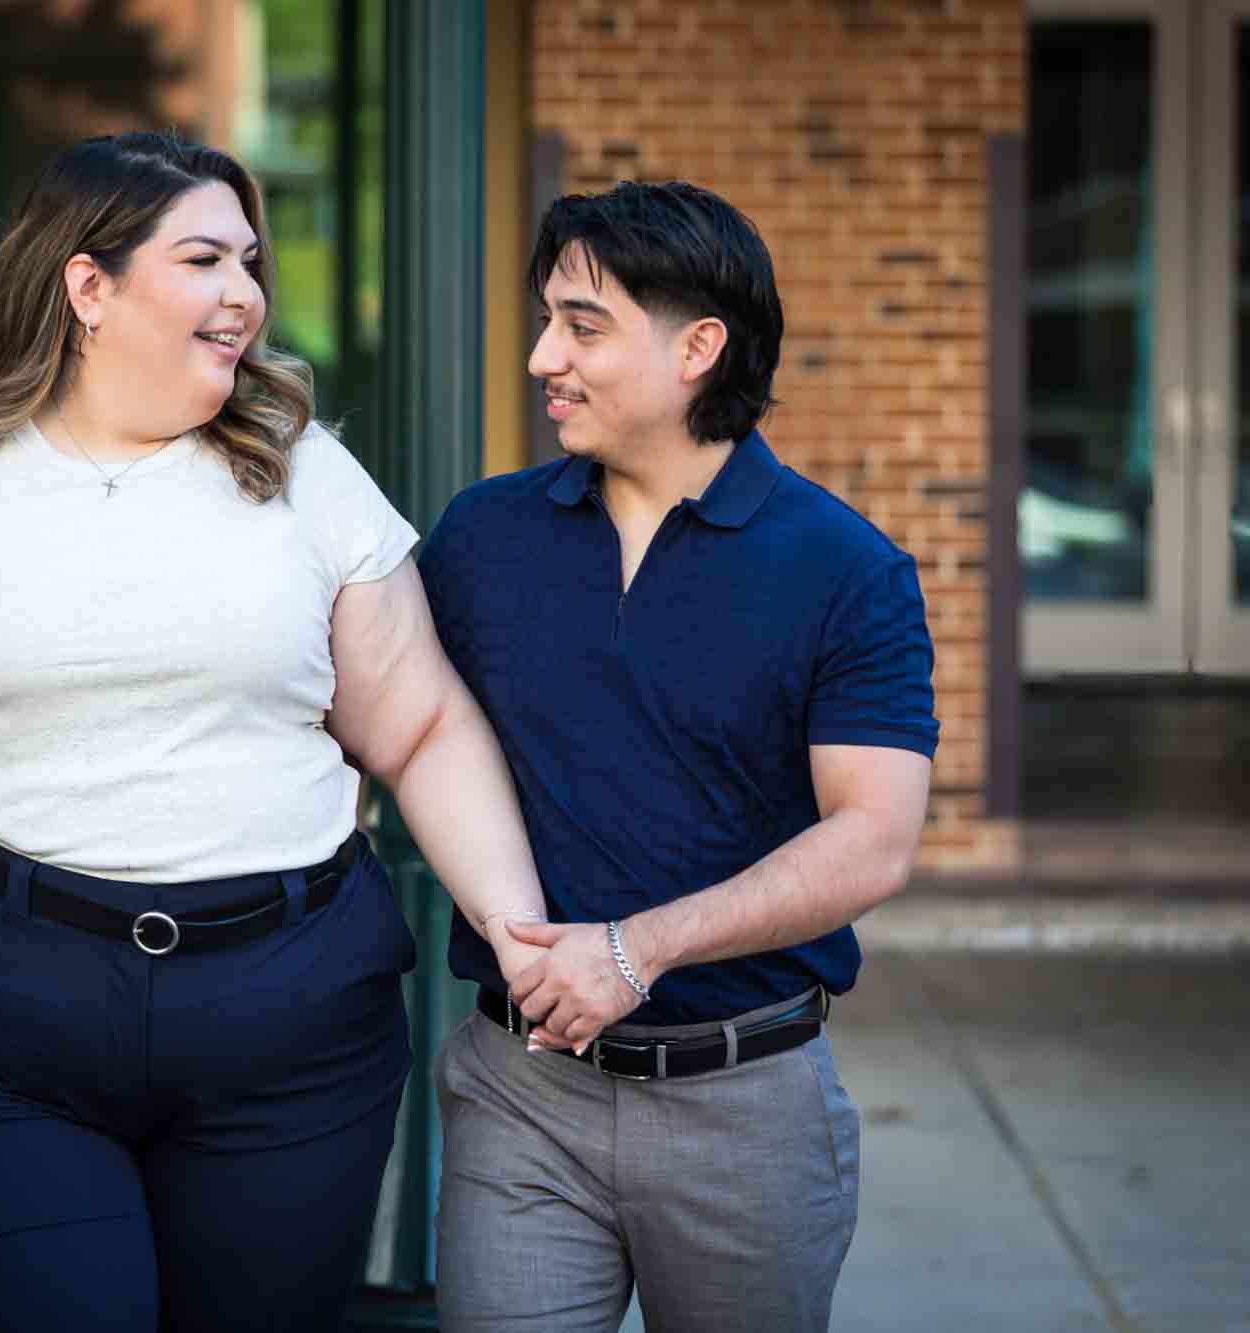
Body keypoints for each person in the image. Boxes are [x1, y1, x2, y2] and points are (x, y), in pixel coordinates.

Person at [0, 131, 552, 1333]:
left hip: (286, 1028)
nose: (242, 294)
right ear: (88, 286)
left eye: (249, 261)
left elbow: (422, 728)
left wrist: (516, 933)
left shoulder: (307, 475)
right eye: (202, 259)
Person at [420, 181, 938, 1333]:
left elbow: (872, 837)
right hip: (522, 1095)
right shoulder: (481, 536)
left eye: (583, 325)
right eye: (546, 318)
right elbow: (392, 726)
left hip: (744, 1105)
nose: (542, 355)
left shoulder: (844, 570)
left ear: (698, 346)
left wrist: (635, 950)